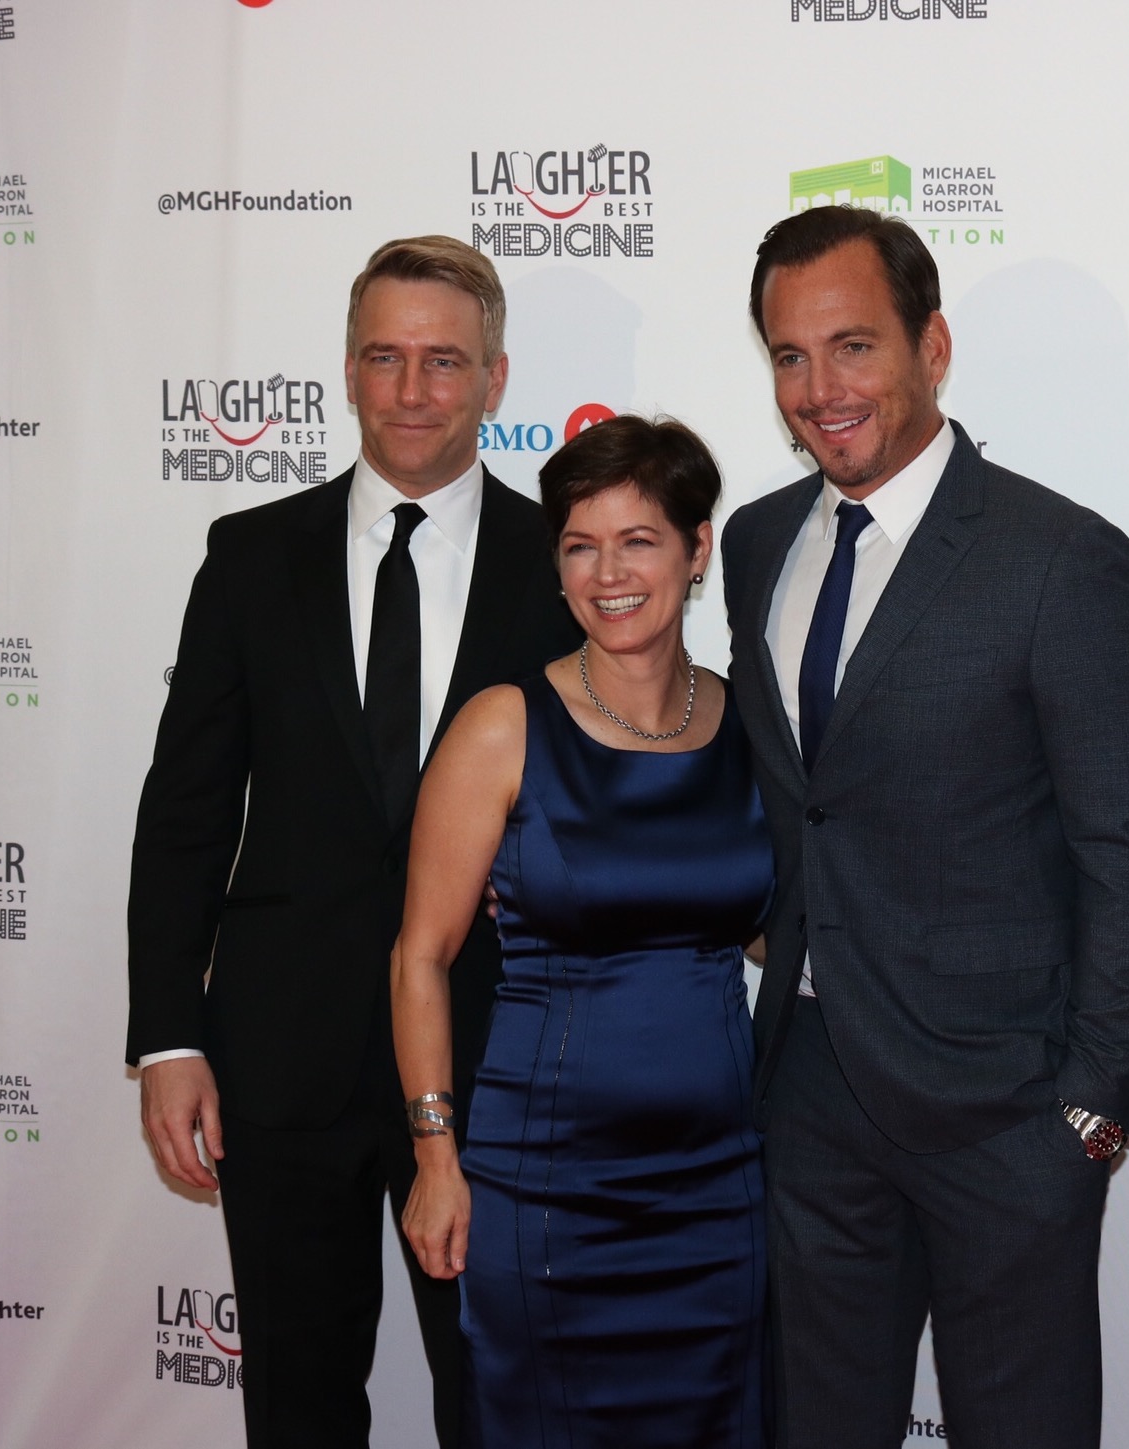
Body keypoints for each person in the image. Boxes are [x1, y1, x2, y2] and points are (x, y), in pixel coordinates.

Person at [721, 204, 1129, 1449]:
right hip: (809, 1089)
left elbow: (1126, 854)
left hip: (1005, 1112)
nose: (820, 390)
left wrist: (1091, 1109)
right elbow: (800, 798)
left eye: (853, 346)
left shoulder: (1059, 557)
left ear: (932, 347)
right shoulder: (757, 542)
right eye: (789, 356)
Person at [126, 236, 578, 1449]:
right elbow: (186, 812)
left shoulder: (565, 564)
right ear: (346, 369)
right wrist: (168, 1034)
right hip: (281, 1057)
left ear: (495, 377)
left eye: (444, 360)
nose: (412, 389)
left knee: (501, 1404)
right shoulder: (250, 555)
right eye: (385, 357)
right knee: (298, 1407)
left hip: (498, 1057)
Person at [392, 413, 771, 1447]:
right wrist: (435, 1156)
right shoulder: (503, 725)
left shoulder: (749, 724)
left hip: (720, 1185)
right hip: (546, 1185)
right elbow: (420, 955)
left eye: (637, 540)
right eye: (578, 546)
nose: (607, 574)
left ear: (696, 549)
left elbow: (763, 930)